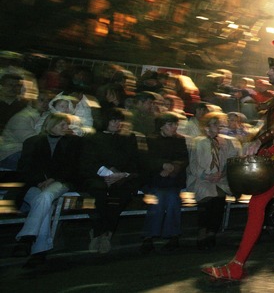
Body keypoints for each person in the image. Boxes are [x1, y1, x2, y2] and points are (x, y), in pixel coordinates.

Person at [202, 39, 274, 282]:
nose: (268, 72)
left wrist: (260, 141)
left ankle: (237, 266)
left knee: (257, 207)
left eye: (273, 68)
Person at [13, 112, 81, 267]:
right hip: (34, 184)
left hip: (60, 181)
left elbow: (73, 167)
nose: (66, 128)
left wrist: (53, 178)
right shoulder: (33, 142)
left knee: (45, 197)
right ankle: (39, 250)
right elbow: (24, 168)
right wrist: (38, 181)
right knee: (44, 200)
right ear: (51, 125)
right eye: (62, 124)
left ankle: (27, 237)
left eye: (67, 124)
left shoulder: (72, 142)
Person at [80, 107, 143, 253]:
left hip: (122, 178)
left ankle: (105, 233)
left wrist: (122, 174)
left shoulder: (128, 138)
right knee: (99, 194)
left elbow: (134, 161)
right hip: (98, 177)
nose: (117, 124)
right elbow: (88, 161)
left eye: (119, 121)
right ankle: (100, 232)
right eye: (114, 120)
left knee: (120, 196)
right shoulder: (92, 138)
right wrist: (107, 173)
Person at [187, 110, 238, 249]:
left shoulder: (225, 142)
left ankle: (212, 232)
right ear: (207, 127)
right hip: (202, 178)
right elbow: (193, 164)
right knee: (207, 198)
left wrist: (222, 173)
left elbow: (231, 160)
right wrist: (206, 176)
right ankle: (202, 231)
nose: (218, 128)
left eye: (219, 125)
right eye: (215, 125)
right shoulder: (198, 142)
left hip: (219, 179)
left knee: (219, 198)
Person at [141, 111, 189, 253]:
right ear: (162, 126)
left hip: (172, 179)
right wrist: (161, 165)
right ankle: (150, 236)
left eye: (175, 124)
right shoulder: (150, 139)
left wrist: (172, 167)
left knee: (173, 199)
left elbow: (184, 158)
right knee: (158, 199)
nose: (174, 127)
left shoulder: (179, 140)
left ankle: (172, 235)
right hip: (154, 179)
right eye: (170, 124)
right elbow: (145, 159)